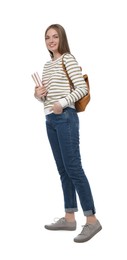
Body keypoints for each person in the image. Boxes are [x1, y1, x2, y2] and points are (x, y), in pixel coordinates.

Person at [34, 24, 102, 243]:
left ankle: (92, 220)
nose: (51, 40)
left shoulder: (68, 59)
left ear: (61, 38)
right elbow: (46, 97)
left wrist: (62, 103)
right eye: (47, 37)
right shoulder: (46, 65)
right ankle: (69, 217)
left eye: (55, 36)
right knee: (63, 170)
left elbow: (82, 88)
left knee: (74, 168)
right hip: (50, 120)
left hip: (66, 118)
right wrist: (38, 94)